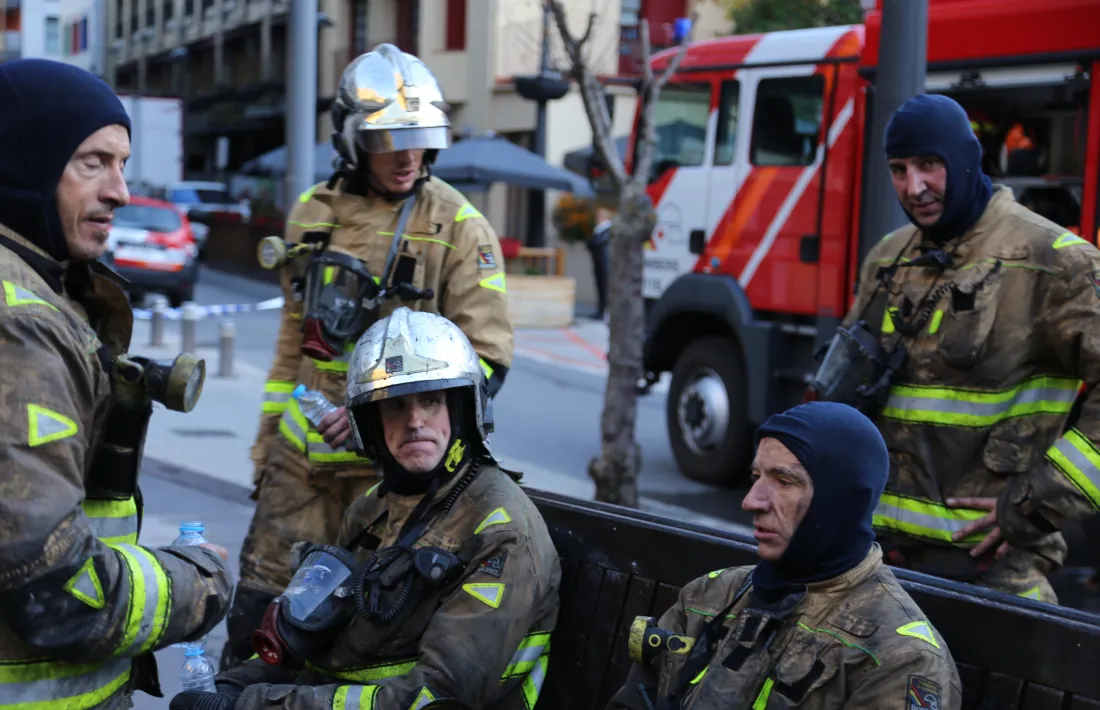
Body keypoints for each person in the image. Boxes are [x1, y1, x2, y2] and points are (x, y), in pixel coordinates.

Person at [222, 43, 516, 669]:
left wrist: (400, 426)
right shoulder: (312, 215)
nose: (409, 156)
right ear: (353, 139)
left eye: (421, 138)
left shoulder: (461, 230)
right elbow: (293, 343)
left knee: (361, 640)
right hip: (298, 474)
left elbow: (486, 359)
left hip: (396, 485)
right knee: (258, 626)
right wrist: (266, 447)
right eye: (390, 140)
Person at [173, 308, 559, 710]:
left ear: (462, 410)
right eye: (394, 405)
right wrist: (231, 687)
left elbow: (438, 696)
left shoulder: (500, 530)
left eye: (430, 401)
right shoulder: (371, 511)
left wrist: (258, 706)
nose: (414, 421)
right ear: (369, 425)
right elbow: (307, 635)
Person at [0, 59, 234, 707]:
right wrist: (200, 579)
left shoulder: (43, 292)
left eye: (123, 163)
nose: (121, 190)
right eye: (92, 163)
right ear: (24, 163)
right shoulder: (18, 323)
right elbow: (55, 594)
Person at [810, 93, 1100, 604]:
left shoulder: (1054, 262)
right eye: (898, 169)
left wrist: (1036, 503)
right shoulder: (887, 257)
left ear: (964, 160)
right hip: (878, 564)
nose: (913, 186)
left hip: (993, 571)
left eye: (929, 165)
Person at [607, 402, 961, 710]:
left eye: (784, 481)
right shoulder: (710, 596)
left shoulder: (900, 657)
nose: (751, 500)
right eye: (756, 475)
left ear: (840, 501)